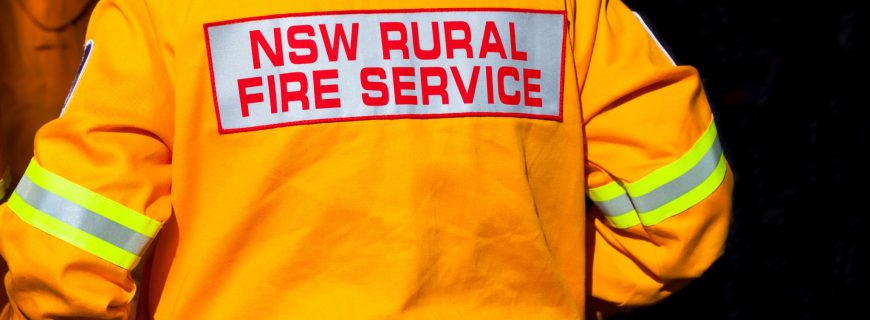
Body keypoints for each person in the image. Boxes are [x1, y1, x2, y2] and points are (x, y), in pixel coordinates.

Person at [0, 0, 733, 318]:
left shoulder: (165, 10)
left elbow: (63, 262)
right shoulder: (575, 7)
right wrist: (547, 284)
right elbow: (681, 213)